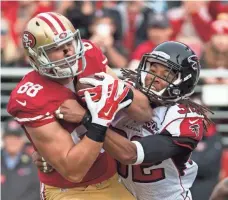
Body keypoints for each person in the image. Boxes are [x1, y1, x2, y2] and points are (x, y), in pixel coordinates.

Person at [34, 41, 212, 200]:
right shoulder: (126, 96)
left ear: (184, 82)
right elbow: (85, 141)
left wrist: (86, 118)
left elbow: (131, 154)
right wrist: (52, 155)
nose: (154, 77)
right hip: (115, 193)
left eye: (167, 74)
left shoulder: (184, 118)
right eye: (153, 69)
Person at [7, 12, 153, 200]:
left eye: (69, 42)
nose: (68, 51)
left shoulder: (89, 54)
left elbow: (144, 112)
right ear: (37, 57)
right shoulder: (31, 97)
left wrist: (117, 90)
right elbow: (73, 171)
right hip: (72, 190)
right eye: (57, 47)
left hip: (115, 176)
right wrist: (98, 119)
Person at [1, 119, 40, 200]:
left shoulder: (33, 162)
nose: (13, 141)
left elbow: (36, 191)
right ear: (3, 139)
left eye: (16, 137)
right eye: (9, 137)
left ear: (22, 140)